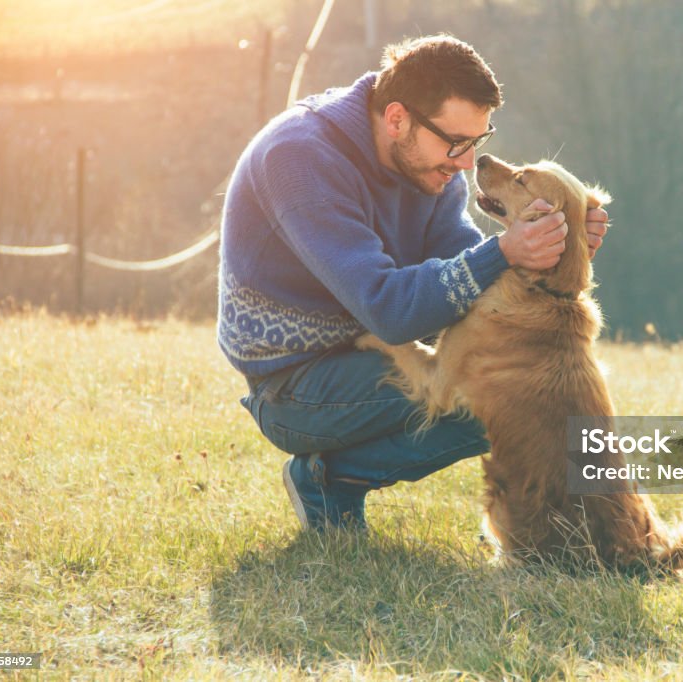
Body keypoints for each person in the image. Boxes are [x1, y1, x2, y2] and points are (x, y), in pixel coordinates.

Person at [217, 34, 609, 530]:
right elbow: (389, 311)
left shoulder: (431, 167)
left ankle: (332, 478)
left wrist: (556, 252)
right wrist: (505, 251)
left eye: (477, 142)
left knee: (520, 389)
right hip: (294, 386)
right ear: (398, 118)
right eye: (456, 143)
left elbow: (461, 272)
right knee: (501, 396)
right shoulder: (299, 159)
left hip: (368, 351)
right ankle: (329, 479)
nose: (467, 162)